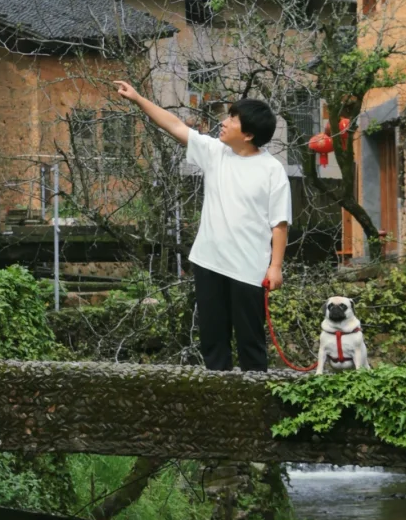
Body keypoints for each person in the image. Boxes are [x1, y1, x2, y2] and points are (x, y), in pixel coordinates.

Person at [113, 80, 290, 371]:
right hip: (209, 262)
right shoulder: (214, 152)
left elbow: (279, 224)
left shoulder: (272, 171)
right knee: (213, 339)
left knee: (251, 342)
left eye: (232, 119)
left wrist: (275, 266)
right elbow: (175, 126)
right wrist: (137, 98)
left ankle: (255, 405)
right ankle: (218, 403)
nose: (224, 122)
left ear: (248, 134)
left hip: (248, 268)